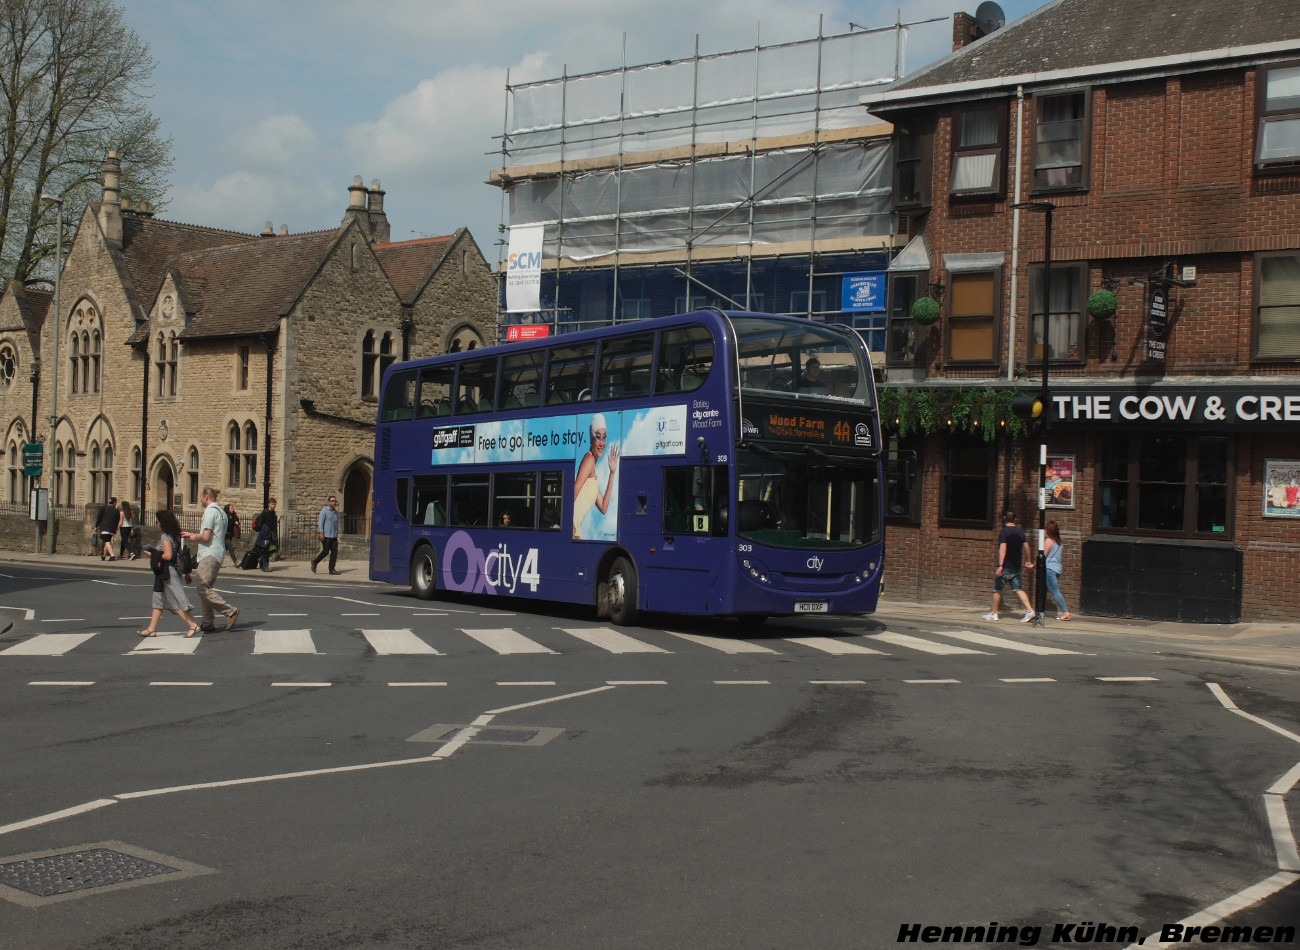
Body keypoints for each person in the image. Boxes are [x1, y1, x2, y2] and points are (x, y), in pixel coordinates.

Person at [182, 486, 239, 632]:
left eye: (201, 496)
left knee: (202, 588)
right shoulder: (222, 512)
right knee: (206, 589)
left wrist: (193, 536)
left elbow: (206, 537)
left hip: (209, 553)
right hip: (218, 553)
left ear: (206, 496)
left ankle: (230, 611)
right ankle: (208, 622)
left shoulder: (210, 511)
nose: (200, 499)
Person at [138, 509, 201, 638]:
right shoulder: (176, 535)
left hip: (168, 572)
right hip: (167, 571)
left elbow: (167, 555)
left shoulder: (165, 536)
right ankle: (151, 629)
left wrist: (152, 554)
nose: (156, 524)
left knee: (176, 600)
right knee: (157, 599)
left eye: (158, 521)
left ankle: (193, 625)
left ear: (162, 522)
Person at [983, 509, 1036, 623]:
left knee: (997, 589)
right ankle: (1030, 610)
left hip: (1006, 566)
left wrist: (1001, 565)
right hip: (1016, 566)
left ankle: (993, 613)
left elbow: (1003, 548)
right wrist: (1028, 560)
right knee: (1018, 588)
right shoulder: (1020, 531)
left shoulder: (1004, 531)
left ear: (1004, 518)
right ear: (1015, 519)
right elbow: (1027, 547)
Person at [573, 414, 619, 539]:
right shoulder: (589, 459)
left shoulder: (593, 475)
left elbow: (604, 508)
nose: (601, 443)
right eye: (598, 437)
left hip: (575, 529)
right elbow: (575, 490)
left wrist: (612, 473)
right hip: (572, 527)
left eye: (604, 438)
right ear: (591, 438)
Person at [1043, 520, 1071, 621]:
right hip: (1057, 569)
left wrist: (1033, 565)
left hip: (1049, 568)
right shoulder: (1059, 542)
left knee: (1055, 591)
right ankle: (1039, 610)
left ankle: (1065, 612)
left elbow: (1043, 556)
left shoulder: (1049, 541)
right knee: (1043, 590)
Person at [311, 494, 341, 574]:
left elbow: (335, 524)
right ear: (329, 502)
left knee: (334, 552)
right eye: (332, 501)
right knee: (325, 551)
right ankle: (315, 562)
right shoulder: (324, 511)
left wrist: (337, 533)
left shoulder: (336, 513)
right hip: (326, 535)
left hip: (333, 535)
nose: (334, 502)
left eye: (335, 501)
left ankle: (332, 569)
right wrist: (321, 533)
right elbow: (321, 522)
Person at [253, 497, 279, 572]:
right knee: (265, 550)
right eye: (272, 504)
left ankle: (262, 564)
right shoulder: (265, 512)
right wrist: (262, 530)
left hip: (270, 534)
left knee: (268, 550)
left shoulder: (273, 513)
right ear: (269, 504)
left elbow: (274, 525)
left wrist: (274, 534)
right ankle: (265, 566)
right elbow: (259, 522)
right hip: (265, 534)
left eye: (274, 504)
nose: (273, 506)